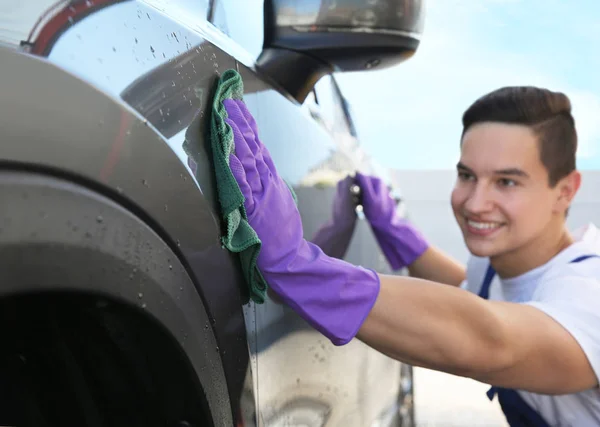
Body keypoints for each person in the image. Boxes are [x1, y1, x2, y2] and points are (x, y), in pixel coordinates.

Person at [223, 86, 600, 426]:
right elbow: (469, 293)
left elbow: (494, 343)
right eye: (467, 176)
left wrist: (303, 269)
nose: (474, 202)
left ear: (565, 191)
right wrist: (398, 235)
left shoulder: (589, 294)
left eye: (506, 182)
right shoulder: (501, 265)